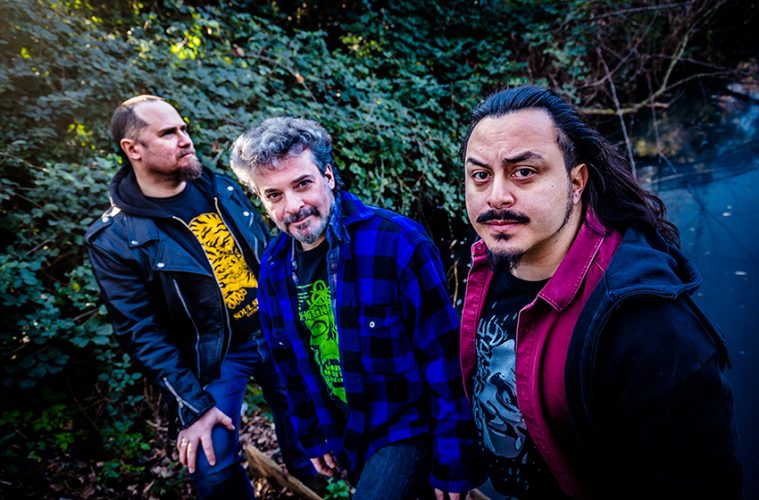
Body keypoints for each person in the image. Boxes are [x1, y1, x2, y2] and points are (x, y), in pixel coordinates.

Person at [458, 85, 743, 498]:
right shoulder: (491, 262)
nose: (496, 196)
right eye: (481, 175)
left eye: (524, 172)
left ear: (577, 182)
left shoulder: (652, 331)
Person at [229, 117, 483, 499]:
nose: (293, 206)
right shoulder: (274, 266)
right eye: (274, 195)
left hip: (406, 426)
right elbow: (289, 366)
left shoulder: (397, 242)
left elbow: (444, 358)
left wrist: (453, 457)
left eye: (302, 184)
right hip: (347, 430)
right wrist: (313, 435)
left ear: (328, 176)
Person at [84, 95, 316, 498]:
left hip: (274, 329)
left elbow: (268, 253)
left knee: (308, 429)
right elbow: (140, 332)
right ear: (132, 149)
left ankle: (316, 488)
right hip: (213, 356)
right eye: (168, 133)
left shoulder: (219, 186)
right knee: (214, 469)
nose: (185, 139)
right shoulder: (116, 238)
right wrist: (192, 404)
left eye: (184, 128)